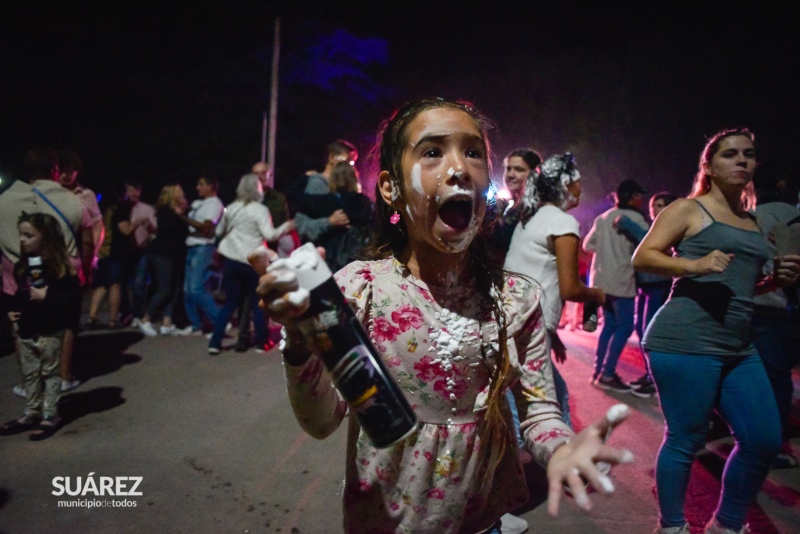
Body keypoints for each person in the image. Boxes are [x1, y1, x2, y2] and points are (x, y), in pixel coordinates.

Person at [254, 97, 634, 534]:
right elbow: (321, 421)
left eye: (473, 152)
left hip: (482, 521)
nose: (459, 168)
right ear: (391, 187)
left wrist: (562, 448)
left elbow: (539, 413)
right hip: (385, 522)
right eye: (432, 152)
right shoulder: (361, 290)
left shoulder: (514, 299)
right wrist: (301, 340)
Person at [632, 128, 800, 534]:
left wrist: (774, 282)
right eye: (729, 154)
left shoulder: (752, 220)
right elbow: (644, 257)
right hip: (684, 341)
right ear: (708, 165)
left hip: (740, 345)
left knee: (762, 438)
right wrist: (694, 265)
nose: (742, 160)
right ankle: (672, 526)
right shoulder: (690, 210)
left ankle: (726, 525)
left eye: (749, 154)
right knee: (685, 440)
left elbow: (744, 284)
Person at [505, 153, 606, 429]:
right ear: (565, 184)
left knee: (551, 394)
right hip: (531, 326)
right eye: (578, 183)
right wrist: (596, 295)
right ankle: (548, 464)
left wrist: (555, 336)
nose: (581, 189)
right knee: (529, 405)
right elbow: (570, 288)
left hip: (515, 319)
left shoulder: (532, 217)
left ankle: (562, 457)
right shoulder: (562, 222)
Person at [0, 148, 86, 395]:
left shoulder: (3, 200)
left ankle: (30, 383)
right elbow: (86, 238)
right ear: (54, 169)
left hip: (16, 274)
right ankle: (63, 377)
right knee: (65, 324)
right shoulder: (72, 199)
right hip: (62, 272)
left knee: (22, 328)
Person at [0, 212, 77, 441]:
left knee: (49, 373)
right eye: (21, 235)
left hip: (49, 330)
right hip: (26, 330)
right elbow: (20, 293)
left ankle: (50, 414)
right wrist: (11, 310)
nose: (22, 240)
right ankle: (31, 412)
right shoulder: (24, 265)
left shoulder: (59, 268)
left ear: (46, 238)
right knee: (30, 374)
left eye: (29, 235)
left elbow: (69, 298)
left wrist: (48, 296)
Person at [207, 174, 293, 354]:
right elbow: (269, 235)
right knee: (258, 303)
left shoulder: (231, 208)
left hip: (232, 260)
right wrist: (287, 226)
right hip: (253, 260)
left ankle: (215, 343)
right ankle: (262, 343)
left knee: (229, 303)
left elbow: (220, 230)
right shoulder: (260, 210)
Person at [750, 162, 800, 469]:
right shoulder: (793, 216)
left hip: (748, 304)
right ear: (781, 184)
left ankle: (749, 433)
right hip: (780, 307)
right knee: (779, 378)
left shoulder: (746, 219)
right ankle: (772, 444)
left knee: (749, 373)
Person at [583, 178, 649, 392]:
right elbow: (648, 245)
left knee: (609, 325)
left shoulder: (603, 218)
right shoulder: (637, 219)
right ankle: (608, 373)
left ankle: (598, 371)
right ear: (631, 197)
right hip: (622, 279)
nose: (641, 201)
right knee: (625, 326)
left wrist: (605, 250)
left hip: (600, 280)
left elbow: (588, 244)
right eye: (639, 196)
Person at [613, 191, 678, 398]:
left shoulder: (671, 228)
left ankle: (655, 379)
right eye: (653, 205)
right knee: (641, 331)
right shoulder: (654, 227)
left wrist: (626, 223)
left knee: (651, 333)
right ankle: (648, 373)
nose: (654, 209)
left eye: (659, 205)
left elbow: (649, 244)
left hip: (659, 285)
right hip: (645, 286)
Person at [136, 184, 189, 336]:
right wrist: (178, 215)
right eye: (179, 191)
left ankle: (167, 321)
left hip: (174, 254)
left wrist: (182, 213)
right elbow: (165, 231)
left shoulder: (179, 211)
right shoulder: (166, 211)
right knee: (164, 287)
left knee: (175, 288)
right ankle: (146, 318)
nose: (182, 193)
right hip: (162, 253)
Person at [177, 174, 224, 336]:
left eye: (201, 184)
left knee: (196, 289)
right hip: (192, 247)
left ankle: (220, 322)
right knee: (187, 290)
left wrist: (182, 218)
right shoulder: (201, 204)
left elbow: (207, 227)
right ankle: (196, 325)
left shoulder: (214, 204)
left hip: (203, 248)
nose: (197, 187)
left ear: (211, 186)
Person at [289, 140, 356, 245]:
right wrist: (329, 222)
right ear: (332, 157)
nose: (351, 166)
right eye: (347, 161)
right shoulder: (317, 183)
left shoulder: (342, 187)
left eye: (353, 162)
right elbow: (302, 226)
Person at [124, 180, 157, 327]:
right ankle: (124, 312)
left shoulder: (148, 209)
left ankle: (137, 313)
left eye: (133, 190)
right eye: (128, 190)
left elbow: (156, 230)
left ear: (139, 191)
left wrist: (148, 225)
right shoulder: (123, 209)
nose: (130, 193)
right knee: (122, 284)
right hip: (125, 251)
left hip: (142, 249)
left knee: (139, 283)